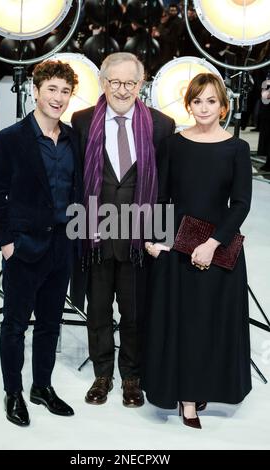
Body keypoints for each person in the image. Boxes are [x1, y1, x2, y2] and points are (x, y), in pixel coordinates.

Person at [141, 73, 252, 429]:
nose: (204, 108)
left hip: (217, 250)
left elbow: (241, 203)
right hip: (179, 249)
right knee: (185, 325)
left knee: (211, 325)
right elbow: (161, 196)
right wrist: (158, 241)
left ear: (224, 107)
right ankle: (187, 399)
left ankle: (203, 387)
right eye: (197, 101)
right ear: (188, 105)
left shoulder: (237, 148)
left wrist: (212, 243)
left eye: (211, 101)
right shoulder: (173, 144)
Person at [71, 52, 175, 407]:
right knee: (98, 309)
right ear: (102, 82)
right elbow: (78, 181)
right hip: (96, 232)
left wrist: (160, 235)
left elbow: (164, 185)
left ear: (141, 84)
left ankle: (132, 375)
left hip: (138, 236)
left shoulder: (162, 124)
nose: (122, 89)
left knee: (134, 310)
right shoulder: (82, 121)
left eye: (130, 82)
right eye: (114, 81)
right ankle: (103, 373)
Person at [0, 60, 82, 426]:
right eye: (52, 89)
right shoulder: (10, 139)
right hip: (23, 247)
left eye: (65, 91)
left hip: (62, 245)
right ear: (36, 91)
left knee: (51, 325)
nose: (58, 98)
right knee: (14, 325)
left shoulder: (74, 138)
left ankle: (42, 386)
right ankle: (14, 393)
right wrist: (6, 242)